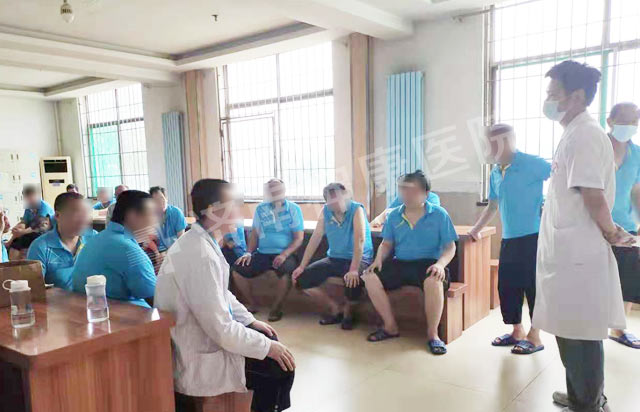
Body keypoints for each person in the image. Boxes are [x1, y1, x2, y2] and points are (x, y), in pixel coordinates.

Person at [534, 60, 635, 412]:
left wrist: (611, 231)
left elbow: (592, 194)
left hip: (578, 253)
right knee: (569, 328)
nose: (548, 100)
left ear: (576, 96)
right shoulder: (574, 132)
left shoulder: (586, 135)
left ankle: (589, 403)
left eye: (553, 94)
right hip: (566, 250)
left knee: (580, 333)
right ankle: (582, 395)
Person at [155, 179, 295, 412]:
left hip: (207, 332)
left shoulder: (201, 242)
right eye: (235, 204)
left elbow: (222, 293)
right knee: (278, 367)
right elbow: (221, 329)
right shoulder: (200, 255)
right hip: (197, 349)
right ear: (213, 211)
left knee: (269, 340)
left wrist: (250, 321)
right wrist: (267, 348)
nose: (240, 210)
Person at [469, 124, 551, 354]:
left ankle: (535, 336)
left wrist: (551, 207)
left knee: (534, 287)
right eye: (488, 142)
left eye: (493, 142)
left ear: (508, 141)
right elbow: (492, 205)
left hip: (533, 237)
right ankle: (517, 331)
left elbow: (561, 177)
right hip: (509, 238)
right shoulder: (495, 171)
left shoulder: (531, 163)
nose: (489, 147)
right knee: (508, 286)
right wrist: (475, 230)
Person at [362, 171, 458, 355]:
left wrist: (440, 264)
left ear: (426, 193)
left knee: (434, 280)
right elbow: (387, 243)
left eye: (412, 190)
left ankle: (433, 335)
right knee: (369, 277)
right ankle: (390, 326)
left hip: (429, 263)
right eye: (403, 189)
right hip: (401, 262)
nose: (406, 194)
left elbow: (450, 247)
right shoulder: (394, 216)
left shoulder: (439, 214)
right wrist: (378, 260)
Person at [292, 183, 374, 330]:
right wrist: (302, 266)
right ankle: (335, 309)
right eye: (332, 199)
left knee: (352, 280)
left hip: (359, 258)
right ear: (327, 202)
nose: (338, 202)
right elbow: (316, 237)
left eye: (341, 197)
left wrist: (353, 269)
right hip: (335, 258)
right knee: (300, 280)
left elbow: (360, 240)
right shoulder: (325, 211)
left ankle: (349, 314)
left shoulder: (357, 209)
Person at [232, 179, 304, 322]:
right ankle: (252, 304)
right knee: (237, 269)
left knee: (286, 272)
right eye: (271, 190)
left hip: (285, 254)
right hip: (263, 253)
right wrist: (248, 253)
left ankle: (276, 308)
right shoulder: (261, 208)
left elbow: (299, 238)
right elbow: (254, 234)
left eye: (278, 190)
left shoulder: (293, 209)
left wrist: (284, 254)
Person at [71, 190, 158, 307]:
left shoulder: (96, 239)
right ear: (132, 216)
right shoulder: (128, 250)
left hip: (86, 312)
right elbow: (157, 300)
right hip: (122, 316)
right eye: (151, 215)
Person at [605, 102, 640, 350]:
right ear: (610, 121)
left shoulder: (636, 153)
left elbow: (636, 190)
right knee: (594, 279)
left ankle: (619, 328)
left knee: (626, 279)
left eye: (634, 122)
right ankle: (591, 328)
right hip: (596, 225)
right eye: (624, 120)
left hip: (626, 226)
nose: (629, 125)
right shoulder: (597, 146)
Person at [27, 192, 97, 290]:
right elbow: (34, 289)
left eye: (86, 213)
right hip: (57, 300)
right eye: (77, 213)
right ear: (58, 215)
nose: (84, 219)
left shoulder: (94, 238)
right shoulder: (40, 247)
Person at [149, 186, 187, 251]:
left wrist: (168, 253)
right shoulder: (151, 217)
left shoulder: (176, 213)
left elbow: (181, 240)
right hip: (161, 251)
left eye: (161, 198)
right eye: (156, 201)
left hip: (177, 250)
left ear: (166, 198)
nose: (160, 202)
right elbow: (153, 240)